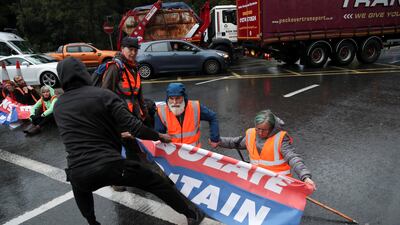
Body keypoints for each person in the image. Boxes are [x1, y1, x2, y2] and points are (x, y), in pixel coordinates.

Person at [53, 57, 204, 225]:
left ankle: (92, 222)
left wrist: (117, 134)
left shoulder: (59, 105)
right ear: (84, 73)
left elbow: (85, 132)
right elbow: (135, 127)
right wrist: (159, 136)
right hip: (111, 166)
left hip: (79, 171)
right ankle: (191, 214)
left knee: (79, 185)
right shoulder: (103, 95)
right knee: (154, 181)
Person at [214, 109, 316, 190]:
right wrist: (218, 141)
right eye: (258, 128)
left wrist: (305, 176)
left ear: (272, 128)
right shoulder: (251, 134)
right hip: (257, 182)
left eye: (264, 130)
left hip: (278, 185)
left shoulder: (280, 139)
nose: (260, 133)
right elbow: (235, 142)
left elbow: (293, 158)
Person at [101, 37, 150, 191]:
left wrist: (144, 111)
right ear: (122, 48)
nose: (133, 52)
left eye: (135, 50)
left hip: (132, 113)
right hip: (118, 115)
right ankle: (115, 180)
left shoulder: (134, 67)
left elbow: (138, 92)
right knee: (116, 147)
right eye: (130, 49)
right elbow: (104, 93)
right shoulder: (115, 67)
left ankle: (138, 172)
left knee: (133, 143)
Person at [155, 82, 220, 148]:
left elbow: (212, 117)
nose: (174, 102)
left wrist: (214, 139)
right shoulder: (161, 111)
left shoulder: (195, 107)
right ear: (167, 98)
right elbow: (158, 135)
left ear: (184, 97)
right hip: (173, 153)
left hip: (193, 154)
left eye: (177, 98)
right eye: (171, 98)